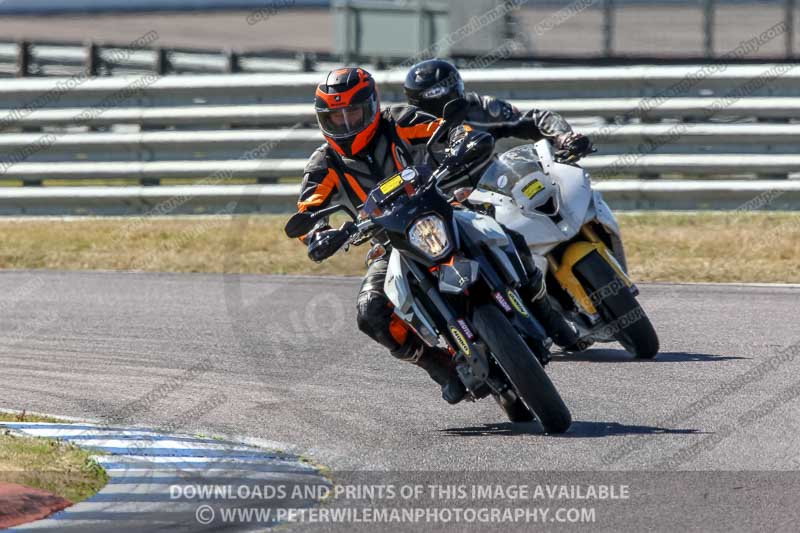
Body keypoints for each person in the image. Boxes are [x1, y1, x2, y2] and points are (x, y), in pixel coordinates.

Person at [295, 67, 576, 406]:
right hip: (391, 244)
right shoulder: (324, 163)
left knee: (507, 236)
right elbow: (308, 211)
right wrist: (319, 234)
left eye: (353, 112)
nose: (346, 123)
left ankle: (545, 312)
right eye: (336, 117)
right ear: (322, 119)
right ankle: (439, 367)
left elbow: (448, 130)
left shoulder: (399, 120)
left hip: (443, 210)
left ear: (371, 106)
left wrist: (461, 141)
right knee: (370, 312)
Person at [403, 58, 593, 162]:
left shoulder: (481, 109)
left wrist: (564, 137)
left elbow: (533, 120)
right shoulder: (403, 131)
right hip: (444, 209)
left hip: (496, 194)